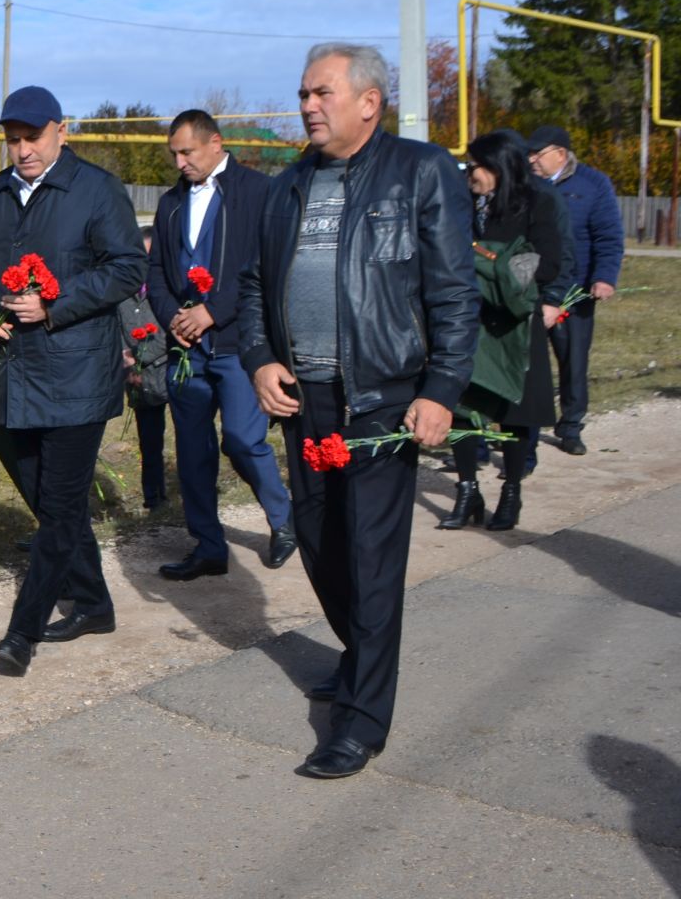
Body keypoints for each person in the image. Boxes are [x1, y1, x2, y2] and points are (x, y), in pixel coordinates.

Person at [241, 44, 478, 779]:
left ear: (368, 101)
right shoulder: (286, 189)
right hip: (302, 401)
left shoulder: (420, 171)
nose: (308, 105)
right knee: (319, 540)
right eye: (304, 92)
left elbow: (453, 293)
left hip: (381, 401)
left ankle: (362, 718)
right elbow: (252, 289)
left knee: (372, 558)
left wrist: (440, 389)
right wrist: (259, 359)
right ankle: (360, 658)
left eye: (323, 92)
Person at [0, 88, 146, 676]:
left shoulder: (96, 189)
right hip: (11, 376)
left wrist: (54, 304)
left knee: (59, 509)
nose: (22, 149)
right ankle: (92, 603)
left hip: (75, 375)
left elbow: (127, 268)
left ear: (62, 131)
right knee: (48, 501)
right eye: (12, 139)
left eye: (32, 136)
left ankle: (22, 631)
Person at [149, 110, 294, 578]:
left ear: (216, 143)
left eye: (186, 152)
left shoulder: (257, 191)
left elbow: (266, 265)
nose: (179, 162)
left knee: (242, 439)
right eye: (174, 153)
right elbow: (154, 273)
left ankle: (284, 519)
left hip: (236, 343)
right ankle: (209, 545)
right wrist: (172, 315)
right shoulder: (171, 202)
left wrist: (214, 311)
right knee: (193, 451)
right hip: (186, 351)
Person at [442, 131, 567, 532]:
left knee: (516, 411)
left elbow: (546, 262)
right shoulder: (464, 204)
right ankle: (467, 491)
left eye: (475, 165)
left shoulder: (539, 203)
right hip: (469, 320)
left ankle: (511, 491)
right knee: (460, 406)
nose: (469, 172)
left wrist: (495, 271)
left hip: (514, 323)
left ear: (498, 167)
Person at [527, 125, 624, 457]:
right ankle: (525, 429)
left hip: (575, 291)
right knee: (530, 363)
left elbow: (608, 236)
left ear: (560, 154)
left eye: (537, 155)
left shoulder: (593, 184)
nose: (532, 161)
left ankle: (570, 426)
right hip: (533, 289)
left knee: (573, 362)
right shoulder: (527, 184)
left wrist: (605, 277)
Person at [119, 226, 168, 511]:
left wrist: (139, 355)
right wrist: (126, 361)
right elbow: (114, 327)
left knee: (189, 439)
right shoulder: (122, 292)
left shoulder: (165, 291)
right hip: (138, 378)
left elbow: (170, 331)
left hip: (168, 368)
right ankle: (154, 498)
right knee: (149, 441)